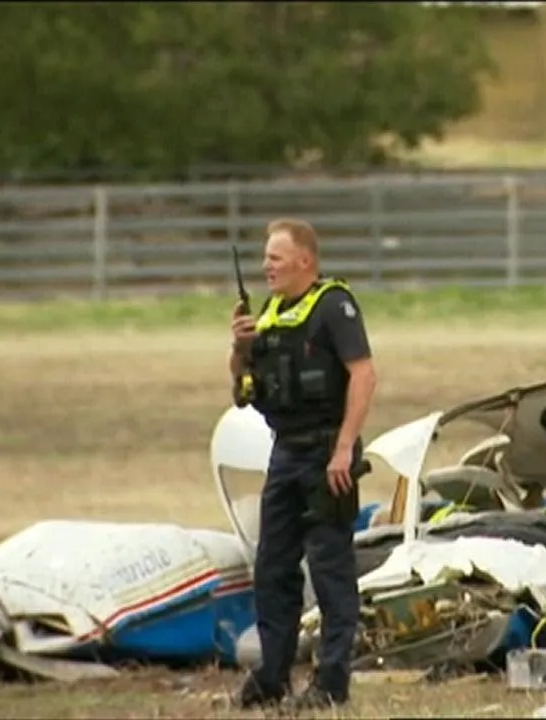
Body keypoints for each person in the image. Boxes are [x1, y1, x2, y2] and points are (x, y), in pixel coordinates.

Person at [228, 217, 378, 710]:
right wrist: (239, 350)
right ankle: (272, 678)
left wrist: (343, 448)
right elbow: (243, 391)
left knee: (329, 566)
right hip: (285, 453)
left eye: (275, 257)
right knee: (273, 567)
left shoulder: (334, 305)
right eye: (265, 257)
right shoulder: (270, 314)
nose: (265, 266)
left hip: (326, 454)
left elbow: (364, 376)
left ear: (304, 261)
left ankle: (331, 684)